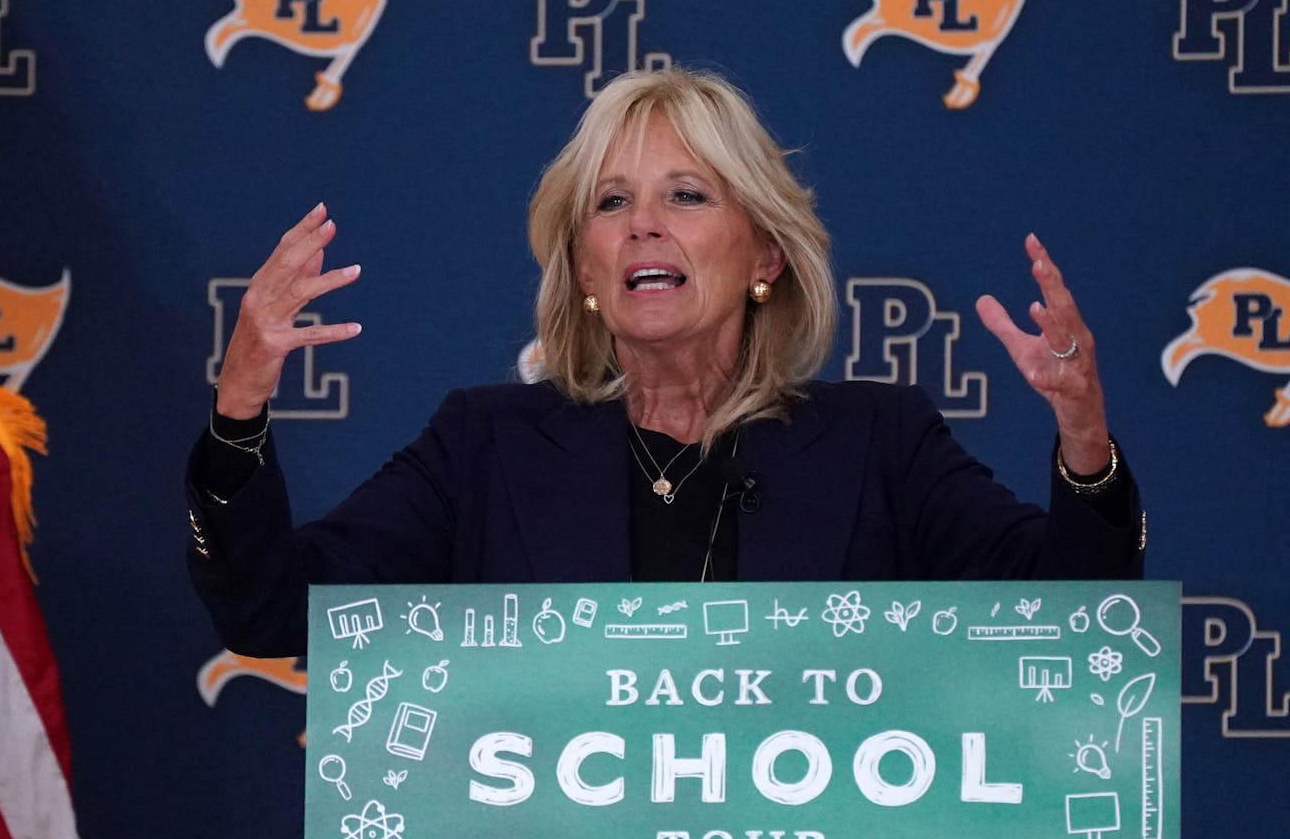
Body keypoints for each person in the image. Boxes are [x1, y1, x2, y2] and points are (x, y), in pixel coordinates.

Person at [187, 66, 1144, 658]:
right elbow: (276, 614)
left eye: (687, 194)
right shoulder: (484, 447)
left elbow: (1074, 625)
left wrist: (1084, 440)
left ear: (765, 254)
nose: (642, 222)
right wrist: (239, 412)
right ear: (584, 268)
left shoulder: (881, 447)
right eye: (610, 204)